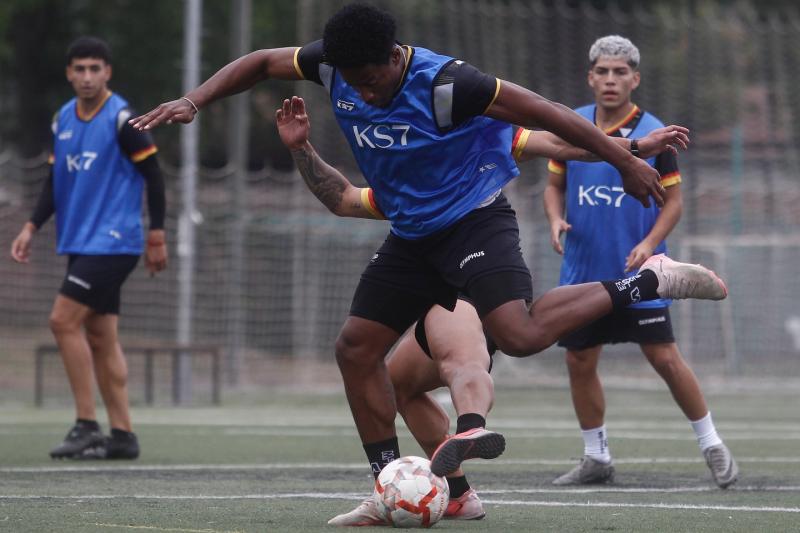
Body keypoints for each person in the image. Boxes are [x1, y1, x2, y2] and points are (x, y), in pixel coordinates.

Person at [130, 3, 726, 524]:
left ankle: (648, 279)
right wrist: (193, 100)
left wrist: (624, 158)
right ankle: (390, 484)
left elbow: (548, 117)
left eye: (372, 81)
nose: (362, 94)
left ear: (394, 57)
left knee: (516, 335)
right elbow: (261, 61)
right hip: (412, 236)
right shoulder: (333, 63)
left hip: (474, 220)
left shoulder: (449, 84)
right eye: (353, 85)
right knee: (355, 349)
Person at [274, 95, 691, 522]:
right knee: (398, 381)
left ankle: (473, 422)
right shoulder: (407, 186)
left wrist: (637, 147)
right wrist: (300, 148)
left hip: (479, 253)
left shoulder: (480, 135)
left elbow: (564, 144)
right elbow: (343, 199)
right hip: (424, 266)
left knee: (470, 350)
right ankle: (446, 492)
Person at [543, 35, 738, 489]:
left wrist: (651, 242)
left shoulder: (655, 132)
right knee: (579, 361)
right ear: (590, 77)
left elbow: (674, 203)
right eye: (603, 72)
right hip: (583, 274)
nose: (611, 80)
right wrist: (554, 218)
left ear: (635, 78)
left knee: (665, 358)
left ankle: (712, 445)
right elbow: (554, 183)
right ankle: (596, 458)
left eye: (620, 72)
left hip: (641, 276)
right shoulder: (571, 124)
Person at [10, 36, 167, 460]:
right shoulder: (63, 118)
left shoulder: (122, 120)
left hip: (114, 242)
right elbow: (53, 182)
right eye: (79, 69)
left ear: (107, 72)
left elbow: (154, 176)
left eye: (94, 68)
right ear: (69, 73)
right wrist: (30, 226)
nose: (86, 76)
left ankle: (85, 423)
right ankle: (123, 435)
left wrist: (157, 234)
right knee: (100, 334)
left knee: (62, 321)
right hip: (79, 242)